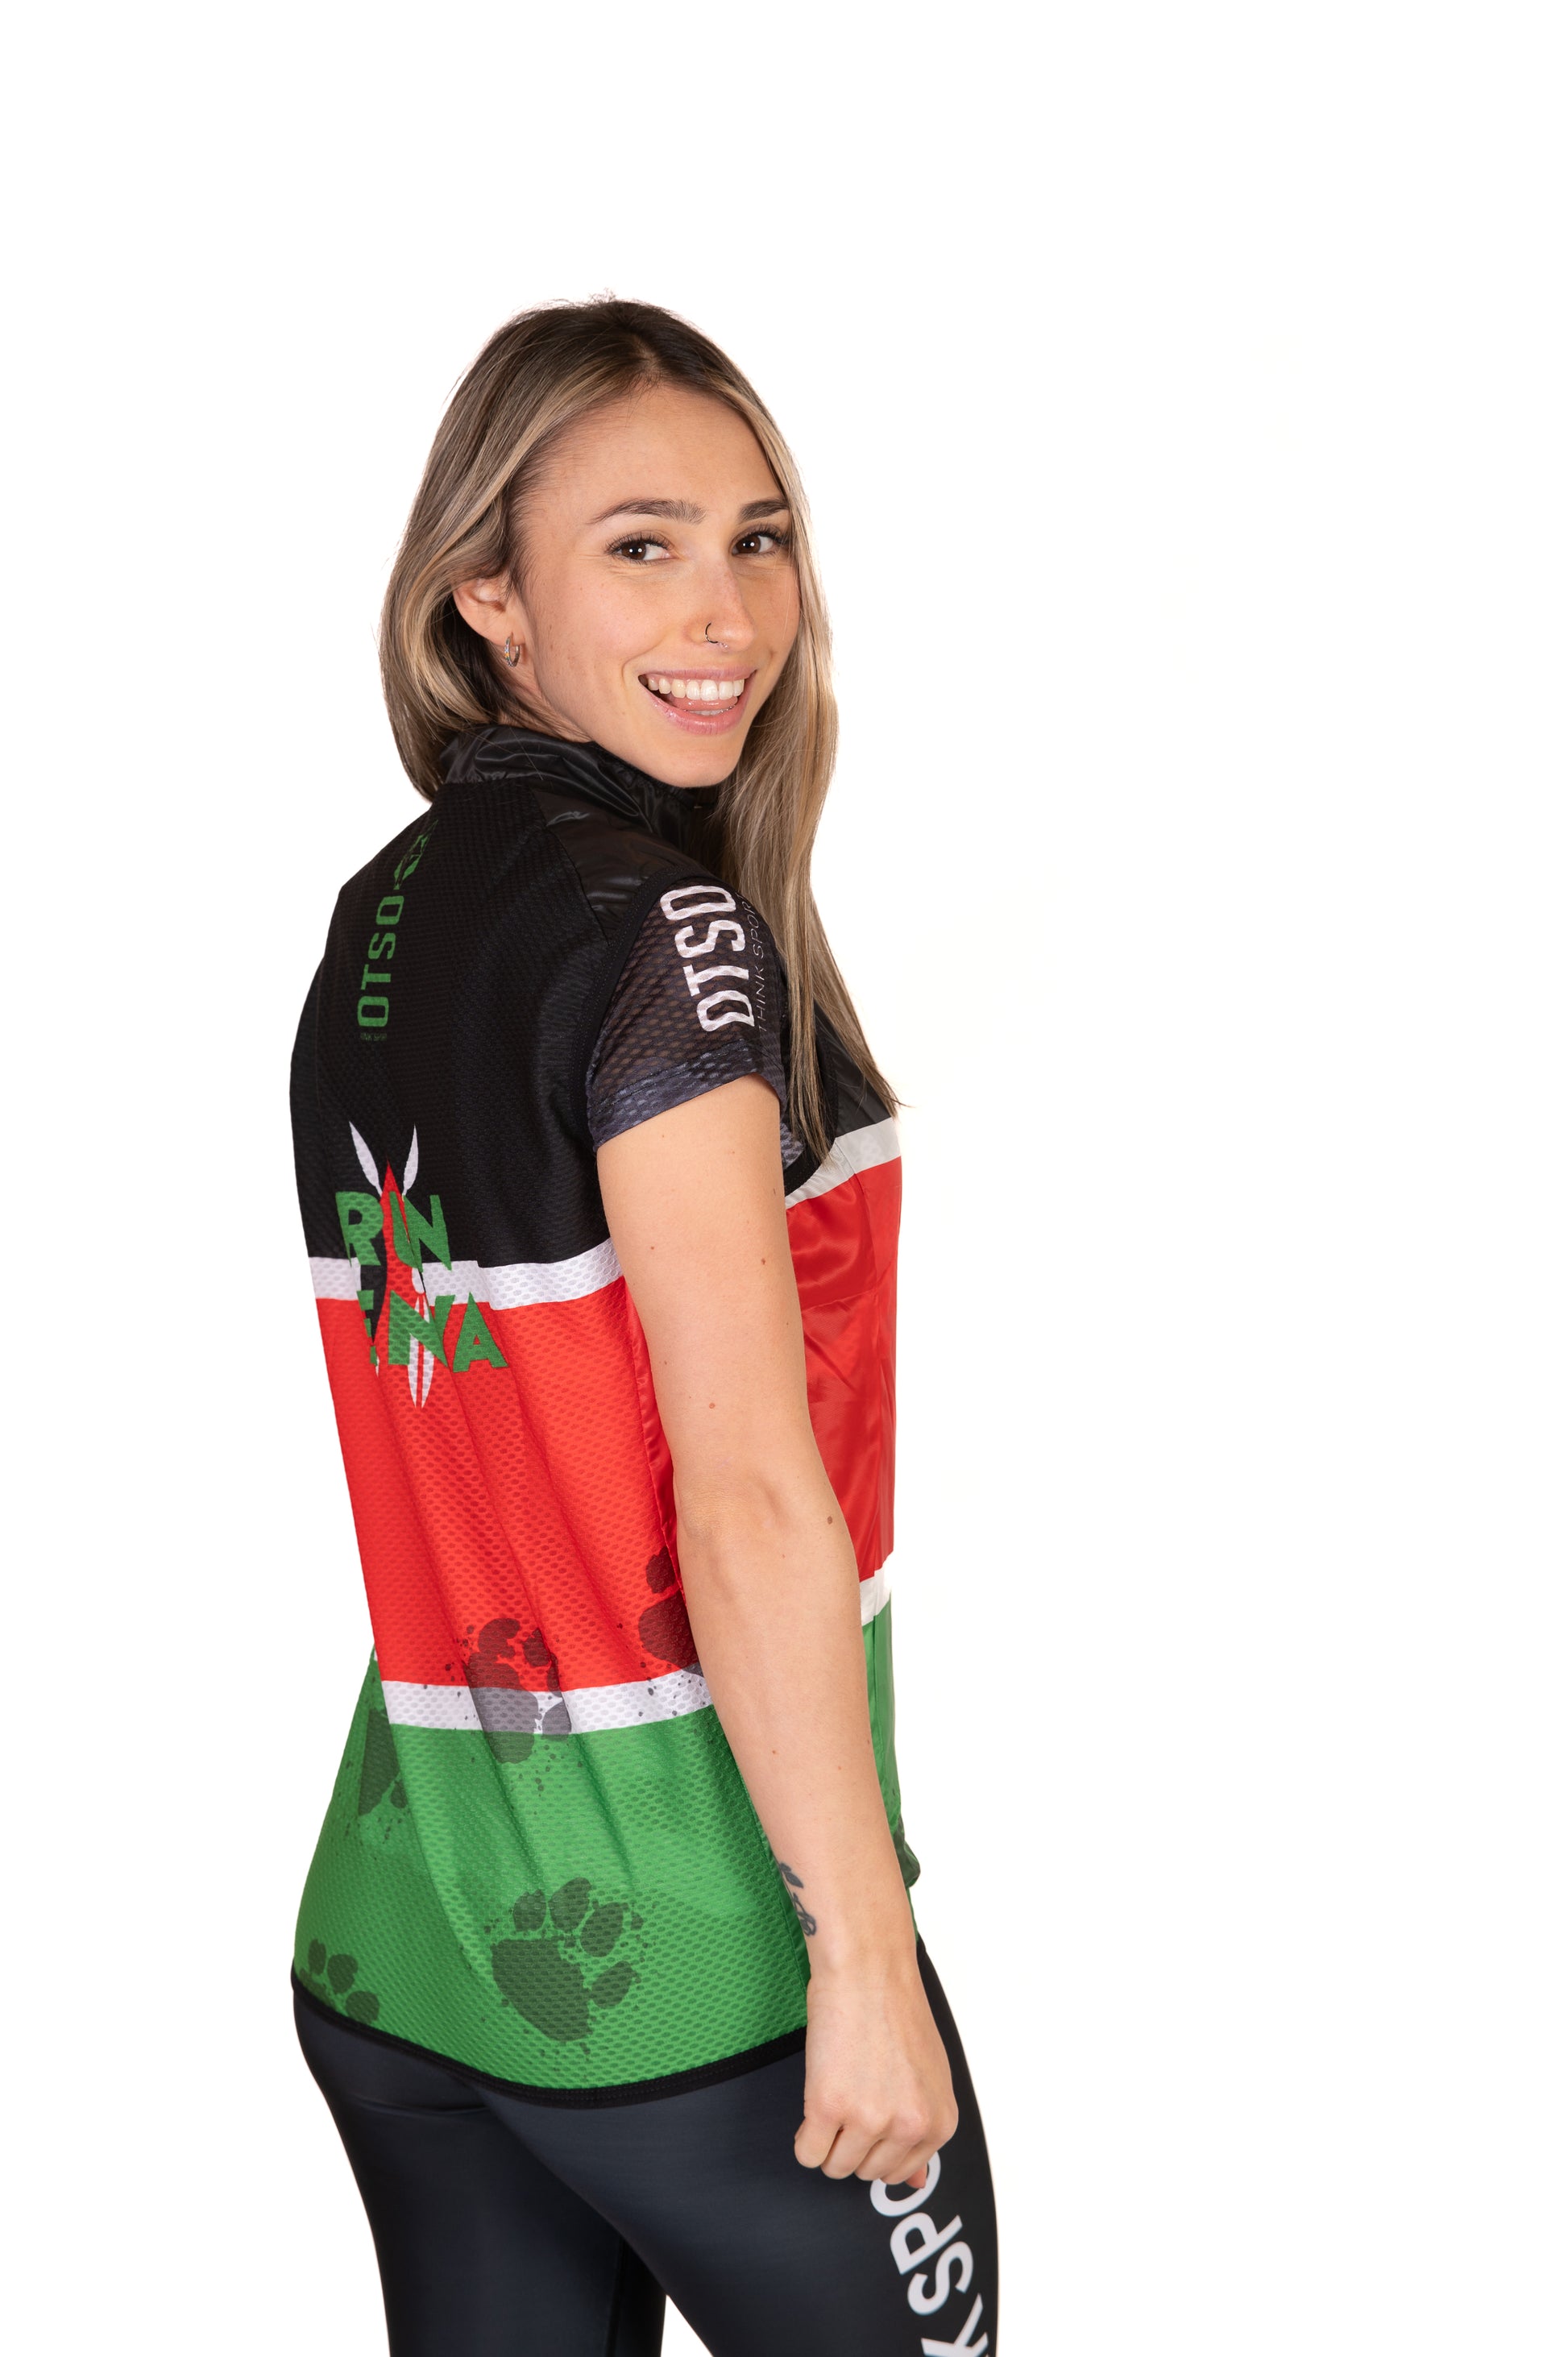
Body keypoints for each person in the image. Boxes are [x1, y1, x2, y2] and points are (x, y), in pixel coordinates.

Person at [288, 297, 998, 2356]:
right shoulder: (665, 932)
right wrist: (860, 1954)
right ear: (487, 596)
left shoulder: (385, 910)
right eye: (641, 544)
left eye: (758, 538)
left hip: (409, 1918)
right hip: (685, 1943)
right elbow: (746, 1492)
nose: (726, 611)